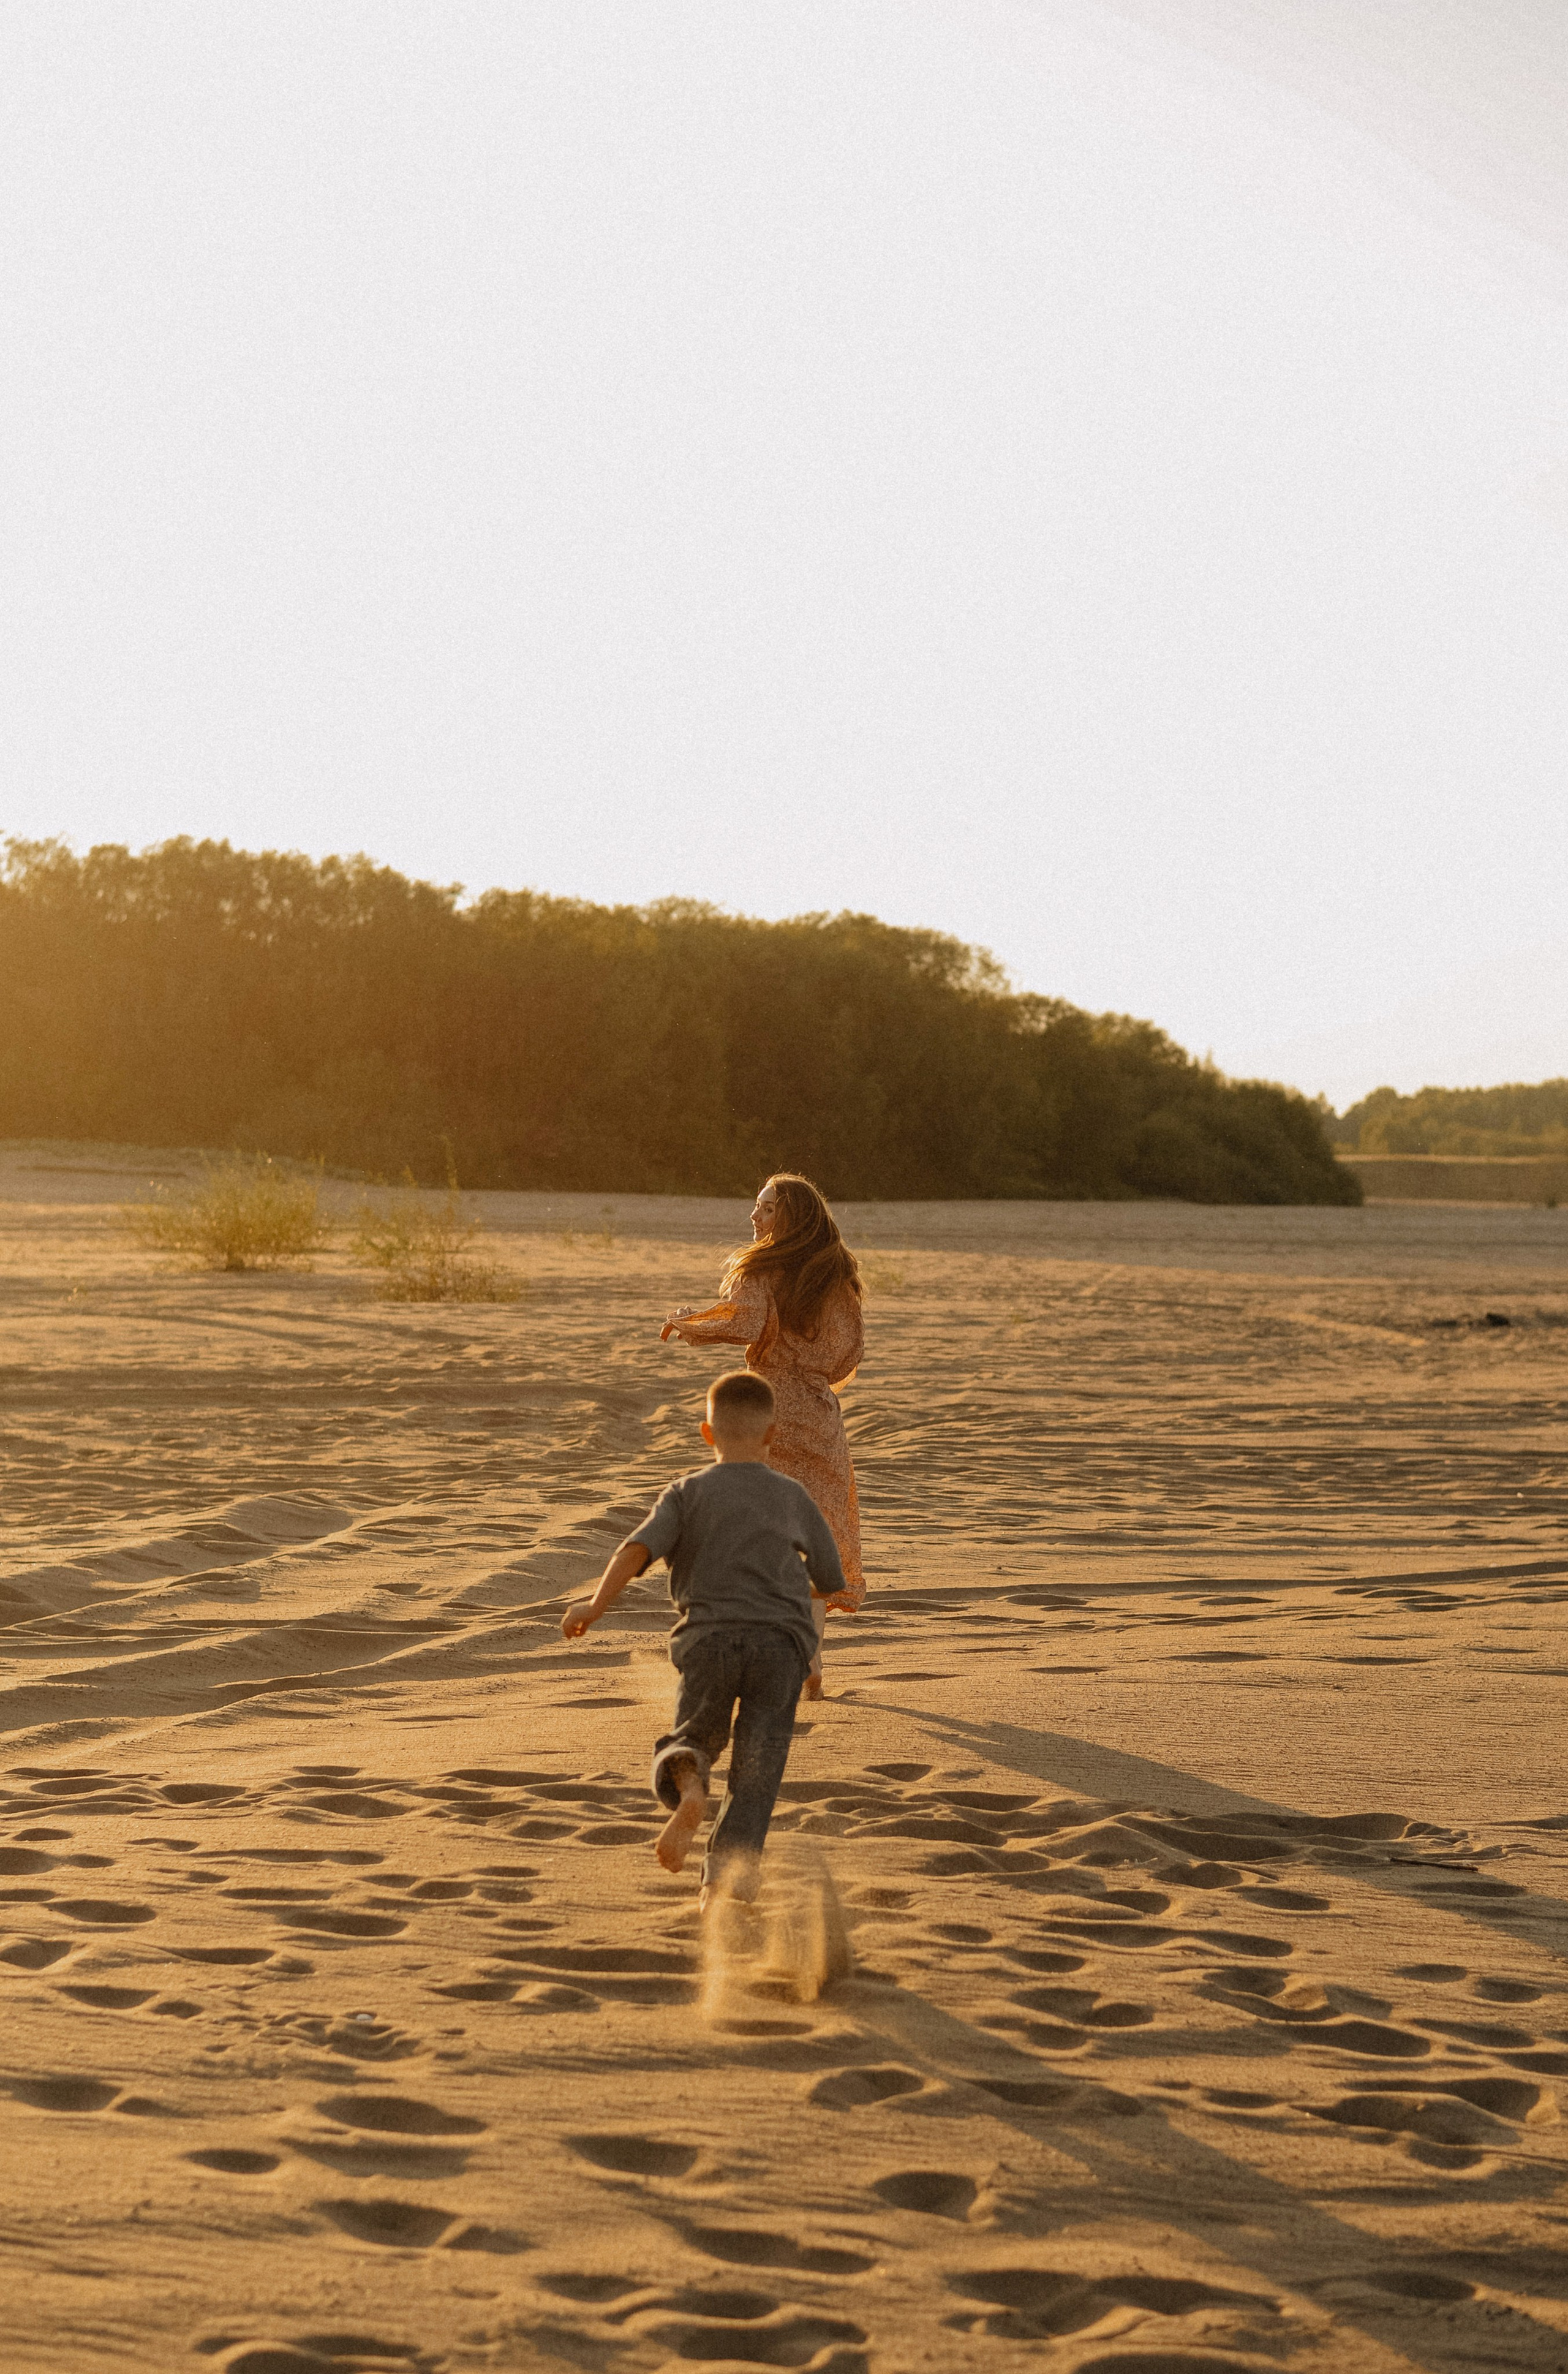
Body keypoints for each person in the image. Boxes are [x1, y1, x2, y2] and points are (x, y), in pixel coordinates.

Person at [562, 1369, 843, 1904]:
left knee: (692, 1737)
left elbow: (635, 1550)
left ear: (707, 1434)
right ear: (772, 1435)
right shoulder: (793, 1495)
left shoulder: (686, 1493)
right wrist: (808, 1646)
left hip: (709, 1641)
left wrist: (595, 1605)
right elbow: (828, 1578)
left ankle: (692, 1791)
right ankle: (723, 1884)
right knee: (758, 1771)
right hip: (780, 1650)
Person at [660, 1172, 864, 1697]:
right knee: (814, 1540)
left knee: (767, 1538)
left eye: (766, 1209)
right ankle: (811, 1656)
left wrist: (691, 1323)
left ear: (790, 1216)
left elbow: (747, 1323)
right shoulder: (838, 1273)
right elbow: (849, 1354)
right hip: (820, 1417)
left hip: (768, 1415)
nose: (754, 1218)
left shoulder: (762, 1267)